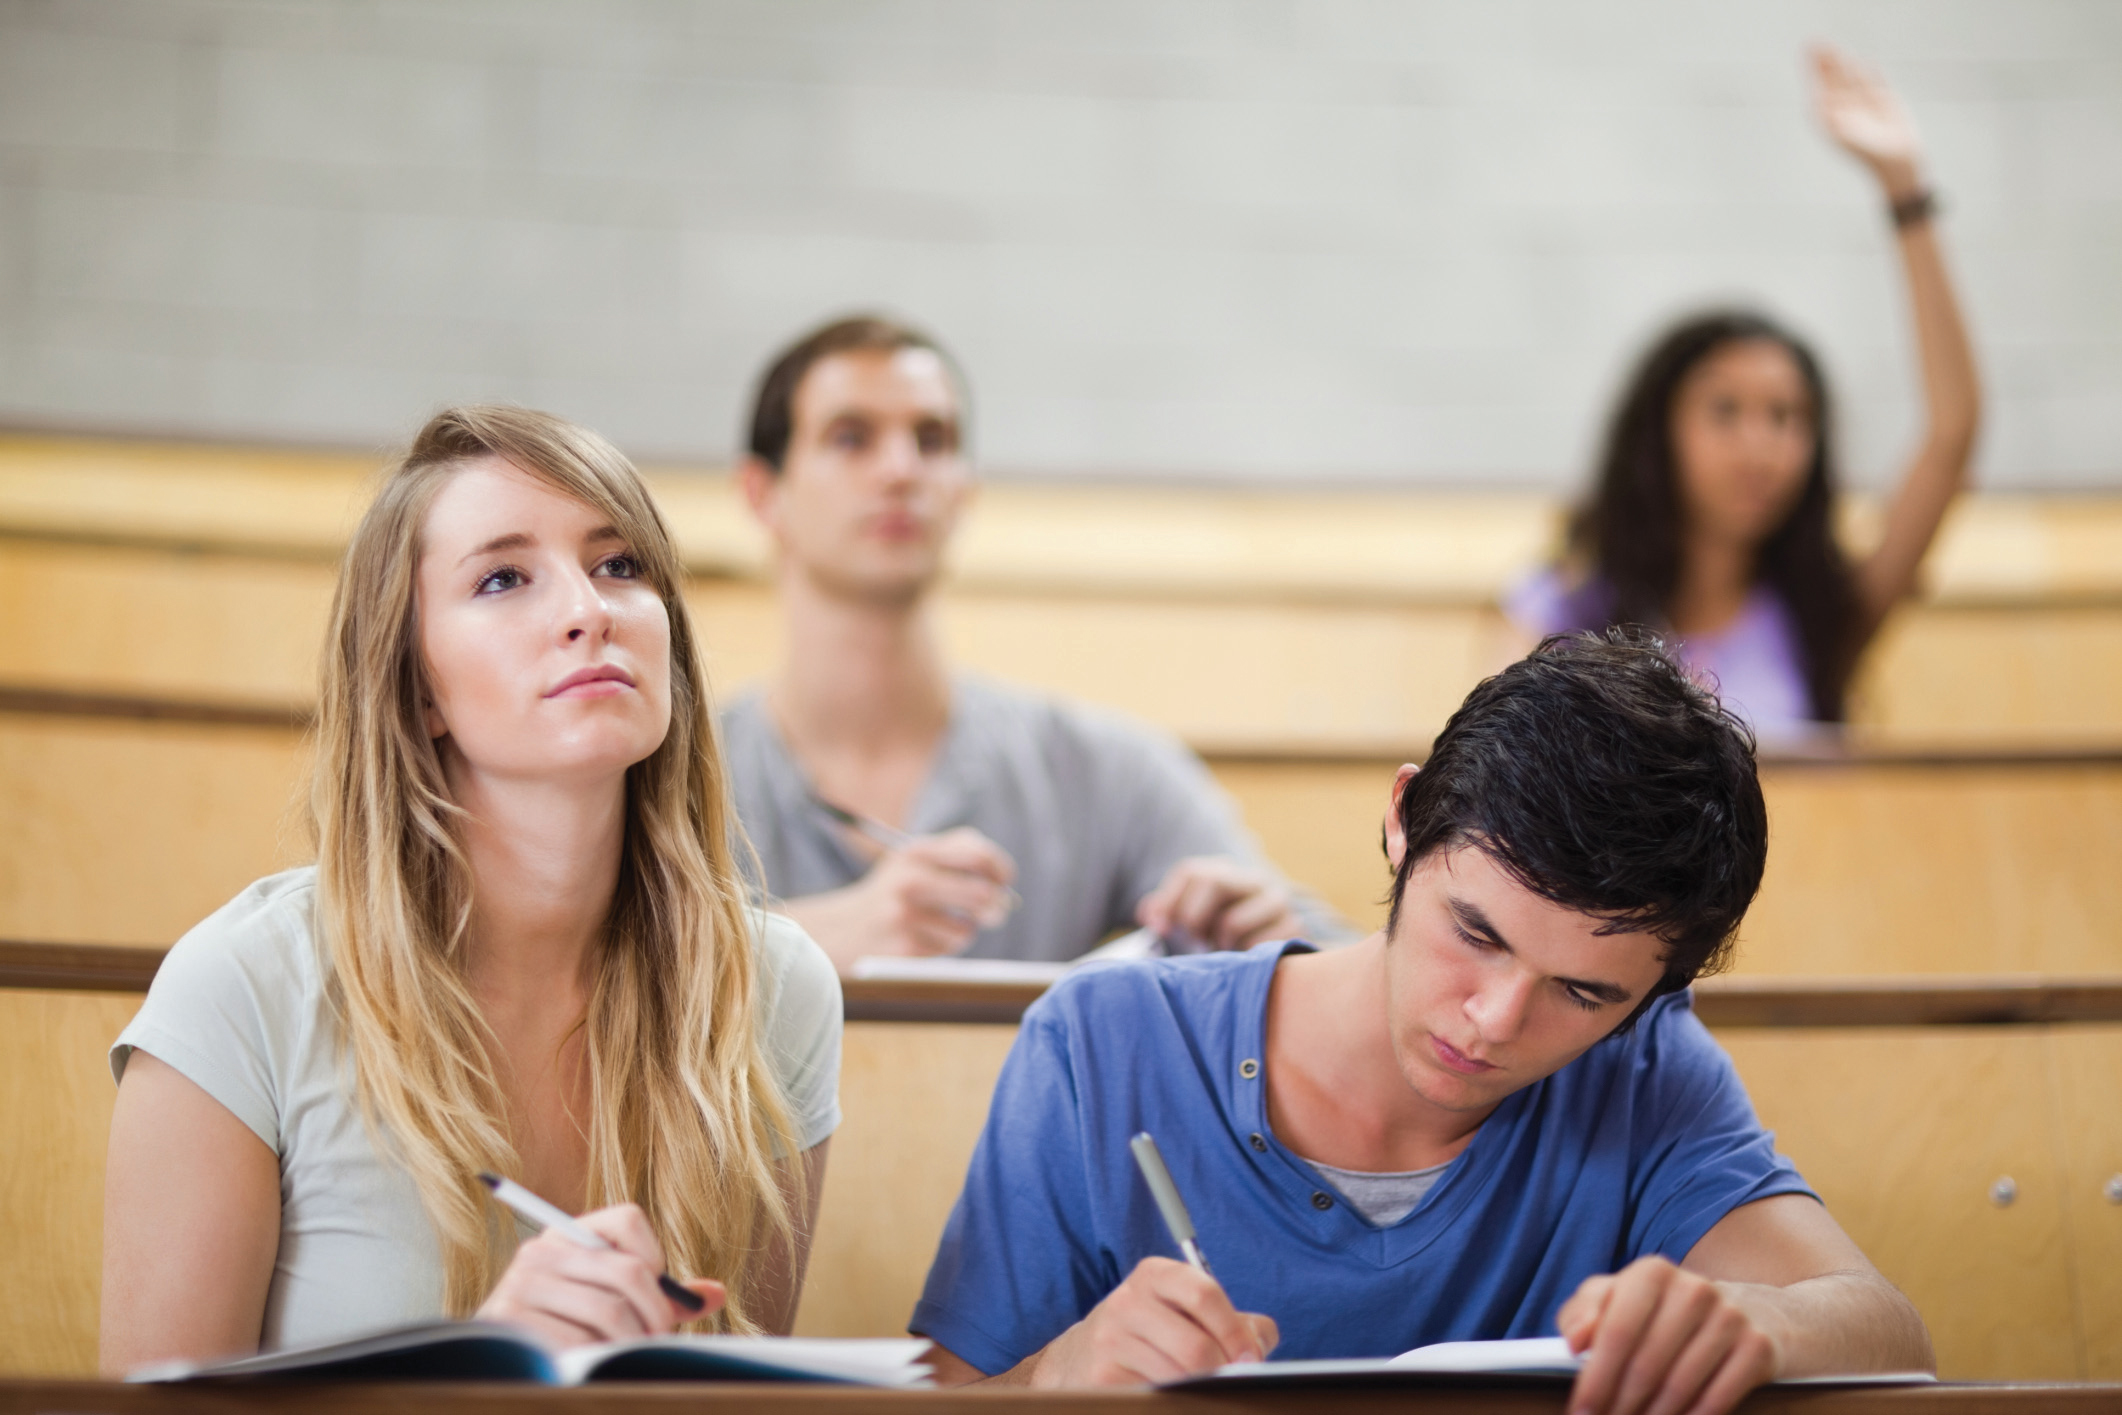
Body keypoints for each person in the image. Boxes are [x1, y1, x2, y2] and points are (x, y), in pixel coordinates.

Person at [912, 631, 1933, 1411]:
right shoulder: (1106, 1041)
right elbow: (953, 1389)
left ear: (1653, 994)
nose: (1492, 1020)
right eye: (1475, 931)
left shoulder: (1646, 1068)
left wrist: (1755, 1319)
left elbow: (1887, 1326)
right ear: (1404, 819)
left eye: (1582, 992)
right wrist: (1059, 1371)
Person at [100, 407, 841, 1373]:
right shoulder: (240, 989)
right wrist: (480, 1370)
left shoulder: (775, 989)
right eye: (502, 578)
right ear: (419, 690)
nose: (589, 609)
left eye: (620, 564)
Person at [724, 316, 1345, 973]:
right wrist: (806, 938)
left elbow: (1354, 973)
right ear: (762, 494)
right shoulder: (671, 777)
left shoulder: (1100, 771)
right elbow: (602, 971)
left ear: (965, 490)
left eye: (932, 439)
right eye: (851, 437)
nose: (901, 468)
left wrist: (1279, 948)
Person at [1508, 46, 1981, 736]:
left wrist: (1906, 190)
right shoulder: (1561, 612)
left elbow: (1952, 432)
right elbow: (1497, 788)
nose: (1761, 443)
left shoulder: (1818, 617)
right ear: (1658, 430)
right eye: (1725, 411)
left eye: (1789, 416)